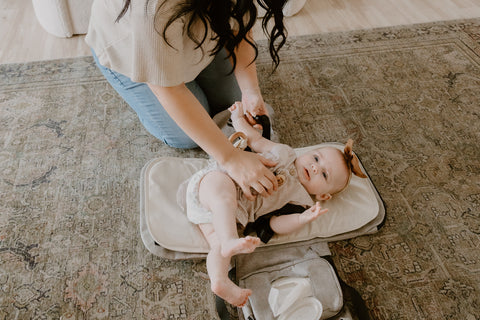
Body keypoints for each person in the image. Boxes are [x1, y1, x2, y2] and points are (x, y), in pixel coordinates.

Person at [85, 0, 290, 200]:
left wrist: (251, 93)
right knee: (186, 136)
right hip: (133, 47)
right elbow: (169, 90)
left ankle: (185, 60)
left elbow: (239, 27)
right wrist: (231, 158)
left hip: (190, 26)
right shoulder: (150, 9)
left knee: (234, 101)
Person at [182, 101, 367, 307]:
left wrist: (301, 219)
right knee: (225, 200)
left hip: (229, 218)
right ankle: (228, 241)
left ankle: (220, 281)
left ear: (323, 196)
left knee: (216, 246)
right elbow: (254, 139)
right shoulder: (285, 153)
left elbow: (273, 225)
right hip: (216, 183)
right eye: (316, 158)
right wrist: (238, 119)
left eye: (323, 174)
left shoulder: (300, 202)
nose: (315, 167)